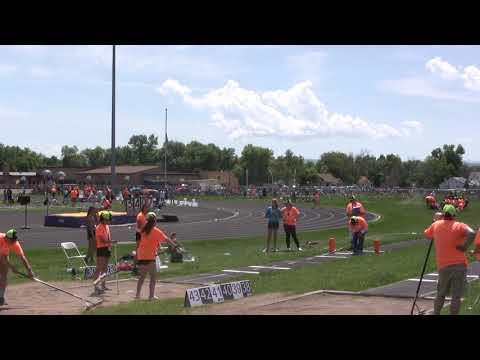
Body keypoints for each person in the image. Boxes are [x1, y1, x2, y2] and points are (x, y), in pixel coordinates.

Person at [424, 205, 476, 315]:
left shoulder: (436, 225)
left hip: (443, 266)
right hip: (459, 265)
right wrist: (464, 247)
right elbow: (472, 233)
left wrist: (435, 220)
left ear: (443, 214)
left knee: (440, 294)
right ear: (454, 215)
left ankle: (436, 313)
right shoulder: (459, 225)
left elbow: (427, 235)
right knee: (456, 296)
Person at [136, 212, 175, 300]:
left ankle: (137, 295)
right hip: (150, 257)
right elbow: (167, 239)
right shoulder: (156, 231)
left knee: (142, 277)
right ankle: (151, 296)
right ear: (154, 221)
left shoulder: (142, 230)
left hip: (141, 256)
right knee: (153, 277)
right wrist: (174, 246)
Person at [0, 229, 35, 306]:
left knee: (4, 275)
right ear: (7, 238)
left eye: (14, 240)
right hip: (1, 254)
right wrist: (12, 267)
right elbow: (3, 258)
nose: (13, 242)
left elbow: (23, 258)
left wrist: (30, 271)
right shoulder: (2, 240)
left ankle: (1, 297)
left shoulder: (15, 244)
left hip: (2, 254)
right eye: (12, 240)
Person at [93, 211, 115, 295]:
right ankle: (96, 286)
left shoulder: (107, 226)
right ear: (104, 219)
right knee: (99, 267)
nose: (109, 221)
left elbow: (108, 237)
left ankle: (103, 285)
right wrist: (111, 241)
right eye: (108, 219)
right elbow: (102, 239)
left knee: (105, 268)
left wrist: (110, 244)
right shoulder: (99, 227)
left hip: (106, 248)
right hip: (101, 248)